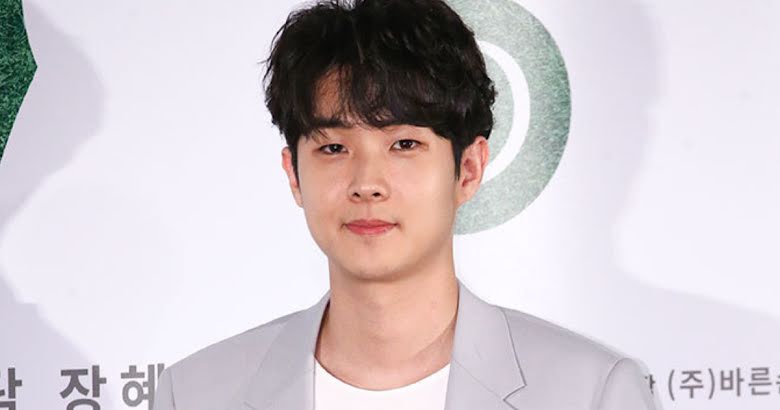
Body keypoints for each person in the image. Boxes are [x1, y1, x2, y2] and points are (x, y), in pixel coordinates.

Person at [153, 0, 658, 409]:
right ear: (294, 174)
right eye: (334, 148)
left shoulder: (593, 393)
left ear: (468, 168)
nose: (367, 184)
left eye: (404, 144)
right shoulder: (194, 395)